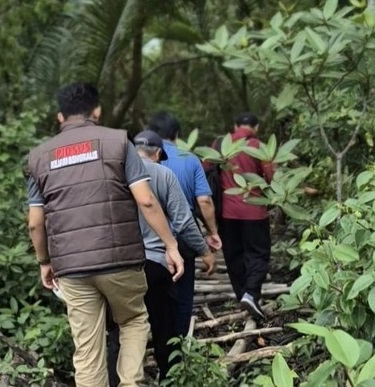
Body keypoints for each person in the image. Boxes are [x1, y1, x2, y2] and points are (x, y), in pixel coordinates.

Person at [25, 82, 184, 387]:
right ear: (97, 111)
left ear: (60, 117)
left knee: (87, 348)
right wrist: (171, 245)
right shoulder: (118, 142)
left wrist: (44, 262)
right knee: (134, 320)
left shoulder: (39, 158)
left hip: (71, 269)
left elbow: (35, 222)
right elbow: (146, 200)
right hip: (121, 261)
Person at [108, 130, 216, 385]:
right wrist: (204, 251)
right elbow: (184, 221)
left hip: (119, 264)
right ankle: (168, 379)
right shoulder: (163, 174)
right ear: (158, 154)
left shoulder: (113, 174)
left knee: (119, 330)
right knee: (164, 328)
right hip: (155, 265)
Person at [148, 112, 222, 336]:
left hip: (148, 237)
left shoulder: (135, 160)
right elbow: (204, 200)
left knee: (153, 292)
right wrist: (212, 232)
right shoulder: (189, 158)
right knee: (182, 294)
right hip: (182, 235)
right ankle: (178, 343)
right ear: (177, 135)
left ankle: (157, 338)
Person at [217, 112, 275, 320]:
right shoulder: (259, 147)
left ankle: (242, 294)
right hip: (254, 210)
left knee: (234, 255)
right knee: (258, 253)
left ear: (235, 125)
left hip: (227, 212)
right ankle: (250, 293)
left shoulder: (220, 145)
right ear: (256, 127)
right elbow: (271, 177)